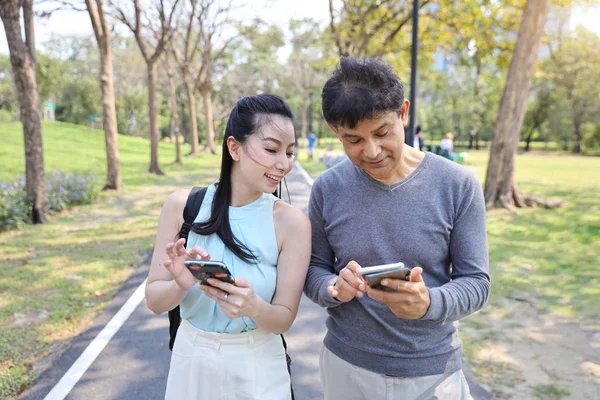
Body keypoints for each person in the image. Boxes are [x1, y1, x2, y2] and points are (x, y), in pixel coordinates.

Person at [304, 57, 490, 400]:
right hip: (346, 369)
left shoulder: (457, 184)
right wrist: (334, 287)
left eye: (382, 132)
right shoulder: (327, 188)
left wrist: (429, 302)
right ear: (335, 131)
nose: (371, 151)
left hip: (431, 374)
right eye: (353, 140)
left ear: (403, 112)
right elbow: (313, 269)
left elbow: (476, 282)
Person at [146, 94, 311, 400]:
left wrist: (253, 307)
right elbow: (154, 301)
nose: (284, 164)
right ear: (234, 147)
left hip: (259, 364)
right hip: (191, 360)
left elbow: (284, 318)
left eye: (290, 152)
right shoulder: (182, 206)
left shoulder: (293, 223)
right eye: (272, 149)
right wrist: (180, 285)